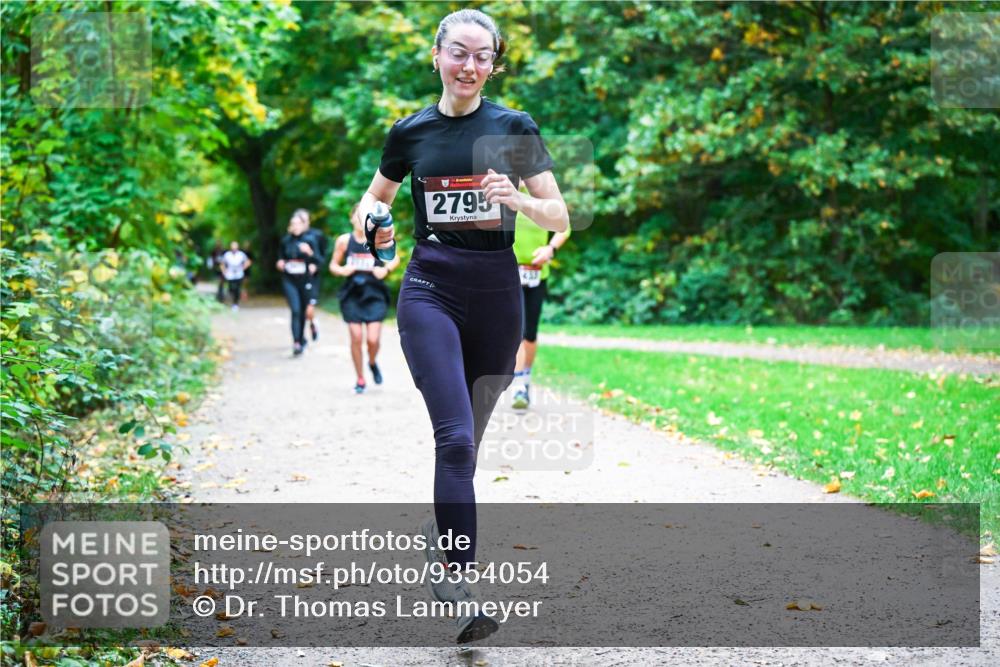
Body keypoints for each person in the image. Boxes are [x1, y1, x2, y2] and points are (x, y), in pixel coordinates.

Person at [355, 8, 568, 643]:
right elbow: (373, 200)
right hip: (430, 287)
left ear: (494, 64)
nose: (469, 66)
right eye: (459, 53)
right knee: (453, 440)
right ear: (437, 55)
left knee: (467, 447)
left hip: (498, 292)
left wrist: (518, 199)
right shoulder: (409, 132)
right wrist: (370, 221)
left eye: (482, 57)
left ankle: (442, 539)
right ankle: (458, 583)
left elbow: (559, 212)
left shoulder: (513, 126)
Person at [329, 205, 398, 394]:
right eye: (356, 216)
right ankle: (360, 379)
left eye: (363, 217)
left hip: (374, 293)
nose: (359, 220)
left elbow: (395, 258)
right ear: (351, 218)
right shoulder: (344, 241)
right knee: (356, 337)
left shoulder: (377, 237)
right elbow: (333, 265)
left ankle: (373, 362)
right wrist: (343, 270)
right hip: (352, 293)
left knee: (373, 340)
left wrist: (385, 269)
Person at [511, 208, 571, 409]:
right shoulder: (503, 190)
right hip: (508, 272)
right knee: (516, 330)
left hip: (537, 274)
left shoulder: (541, 196)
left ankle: (525, 377)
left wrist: (550, 249)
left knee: (530, 333)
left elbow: (564, 227)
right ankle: (518, 384)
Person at [276, 212, 320, 356]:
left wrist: (310, 254)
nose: (295, 227)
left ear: (303, 225)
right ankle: (296, 342)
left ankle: (302, 338)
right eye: (293, 224)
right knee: (295, 310)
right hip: (289, 280)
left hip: (306, 280)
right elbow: (280, 258)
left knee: (304, 312)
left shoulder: (310, 240)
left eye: (298, 224)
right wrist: (280, 263)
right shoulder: (285, 241)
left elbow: (319, 260)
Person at [300, 211, 329, 342]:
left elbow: (323, 256)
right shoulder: (292, 237)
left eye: (304, 220)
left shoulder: (317, 235)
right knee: (299, 308)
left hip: (312, 277)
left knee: (309, 309)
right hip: (296, 278)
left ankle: (312, 323)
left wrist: (316, 266)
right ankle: (300, 337)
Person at [220, 241, 251, 310]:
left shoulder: (241, 254)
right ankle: (233, 300)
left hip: (239, 274)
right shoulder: (227, 255)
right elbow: (222, 264)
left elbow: (248, 262)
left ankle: (235, 303)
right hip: (230, 274)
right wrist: (224, 271)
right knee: (231, 288)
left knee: (237, 289)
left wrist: (243, 268)